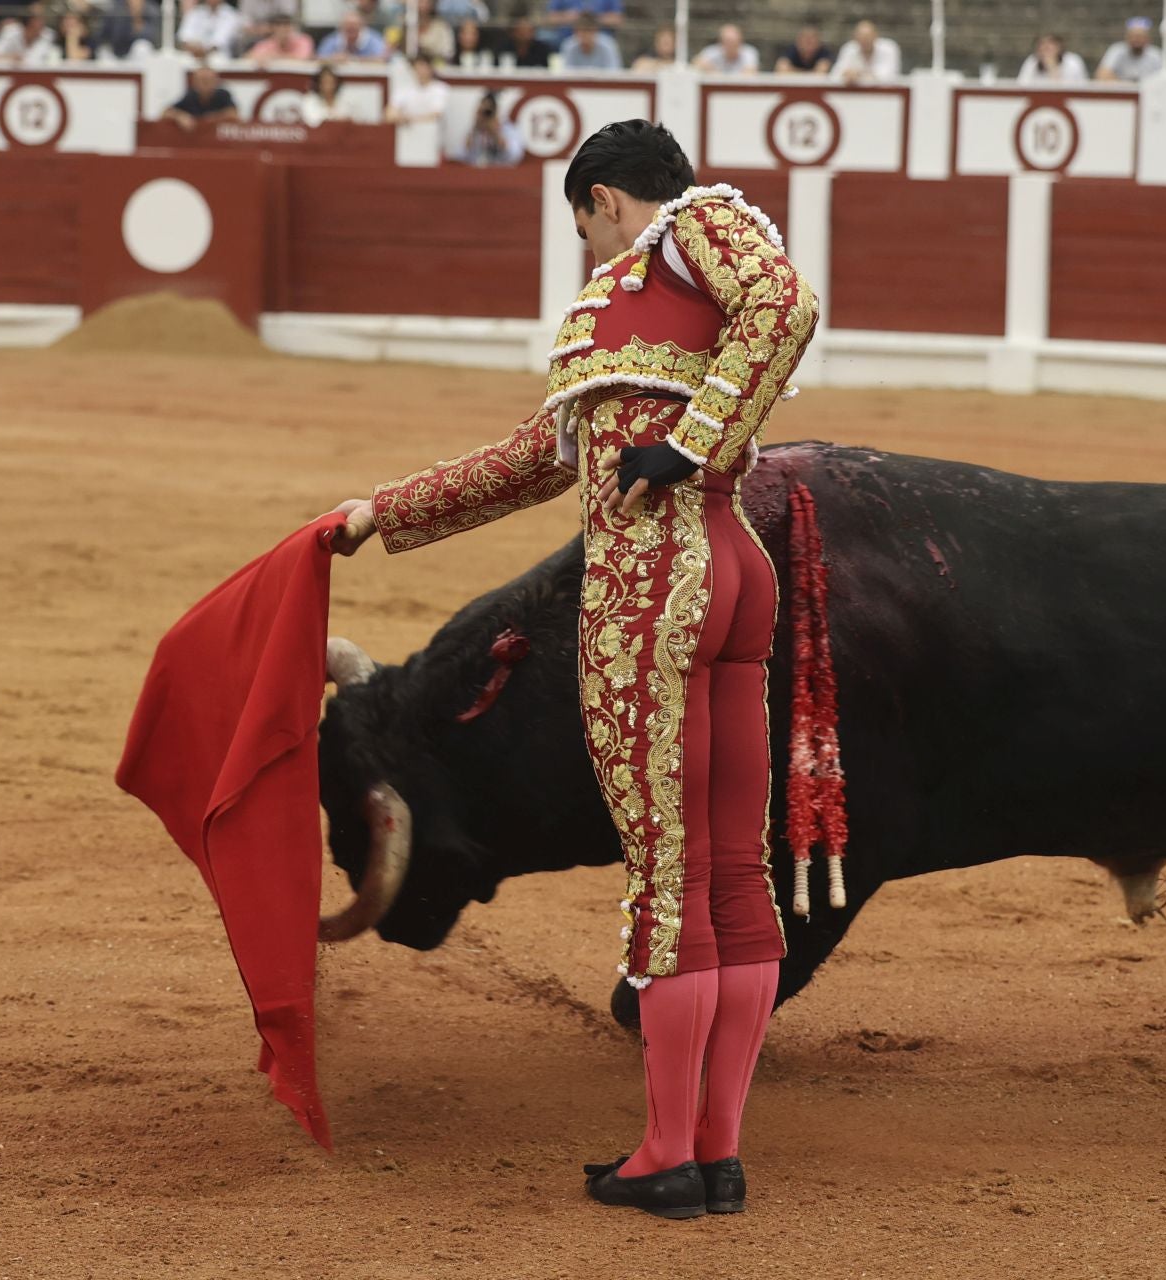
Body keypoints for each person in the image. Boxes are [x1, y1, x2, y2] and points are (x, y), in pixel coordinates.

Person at [328, 119, 817, 1223]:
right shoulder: (646, 294)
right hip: (729, 571)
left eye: (586, 227)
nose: (590, 253)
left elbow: (787, 306)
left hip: (657, 585)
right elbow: (527, 463)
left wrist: (692, 442)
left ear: (602, 198)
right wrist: (378, 515)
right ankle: (717, 1152)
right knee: (731, 872)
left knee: (671, 873)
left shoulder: (694, 227)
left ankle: (665, 1153)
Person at [165, 65, 241, 130]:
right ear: (195, 82)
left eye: (208, 80)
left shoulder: (223, 95)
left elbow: (234, 114)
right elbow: (166, 112)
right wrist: (180, 116)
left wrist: (212, 118)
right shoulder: (191, 97)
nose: (205, 84)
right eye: (201, 80)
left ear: (216, 81)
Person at [455, 90, 523, 164]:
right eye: (482, 112)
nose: (486, 116)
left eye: (488, 112)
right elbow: (460, 156)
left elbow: (515, 156)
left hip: (501, 172)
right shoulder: (474, 131)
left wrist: (495, 133)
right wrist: (474, 130)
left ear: (496, 113)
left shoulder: (507, 129)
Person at [832, 19, 901, 82]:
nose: (865, 41)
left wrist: (859, 74)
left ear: (875, 36)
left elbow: (890, 75)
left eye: (867, 37)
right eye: (861, 37)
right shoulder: (848, 49)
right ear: (855, 38)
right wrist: (845, 74)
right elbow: (835, 74)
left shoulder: (889, 48)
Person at [1096, 17, 1164, 81]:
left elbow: (1165, 78)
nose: (1136, 40)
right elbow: (1102, 75)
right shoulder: (1116, 50)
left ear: (1148, 38)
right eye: (1133, 36)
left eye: (1140, 36)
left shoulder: (1155, 54)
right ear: (1127, 37)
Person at [388, 53, 449, 123]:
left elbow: (437, 114)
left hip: (430, 132)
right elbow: (389, 114)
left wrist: (411, 119)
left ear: (431, 68)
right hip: (406, 133)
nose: (420, 70)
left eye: (423, 66)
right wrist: (399, 117)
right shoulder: (405, 88)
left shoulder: (440, 88)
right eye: (416, 67)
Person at [177, 0, 243, 59]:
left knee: (216, 59)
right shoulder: (195, 13)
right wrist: (195, 49)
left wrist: (203, 51)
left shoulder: (231, 16)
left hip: (219, 59)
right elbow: (184, 37)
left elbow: (219, 42)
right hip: (193, 55)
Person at [318, 7, 387, 60]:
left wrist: (355, 60)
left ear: (362, 26)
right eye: (347, 25)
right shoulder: (331, 40)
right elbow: (319, 58)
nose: (351, 28)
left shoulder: (374, 39)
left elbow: (383, 58)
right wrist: (333, 59)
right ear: (341, 27)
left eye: (354, 25)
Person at [541, 0, 620, 46]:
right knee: (541, 36)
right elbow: (551, 18)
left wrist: (591, 18)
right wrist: (568, 17)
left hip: (599, 38)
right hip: (565, 38)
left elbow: (617, 19)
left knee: (608, 44)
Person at [694, 22, 759, 74]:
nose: (731, 45)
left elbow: (750, 72)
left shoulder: (748, 52)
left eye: (733, 42)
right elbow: (696, 63)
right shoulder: (712, 51)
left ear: (740, 41)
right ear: (721, 42)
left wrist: (717, 74)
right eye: (728, 41)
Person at [1019, 34, 1089, 82]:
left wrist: (1052, 67)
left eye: (1050, 46)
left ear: (1059, 47)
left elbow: (1082, 86)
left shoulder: (1073, 61)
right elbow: (1022, 84)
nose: (1045, 48)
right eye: (1042, 45)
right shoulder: (1032, 61)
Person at [247, 13, 313, 61]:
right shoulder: (267, 43)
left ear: (293, 27)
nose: (283, 28)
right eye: (278, 25)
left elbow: (304, 57)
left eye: (286, 24)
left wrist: (273, 56)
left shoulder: (303, 40)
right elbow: (249, 56)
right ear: (271, 28)